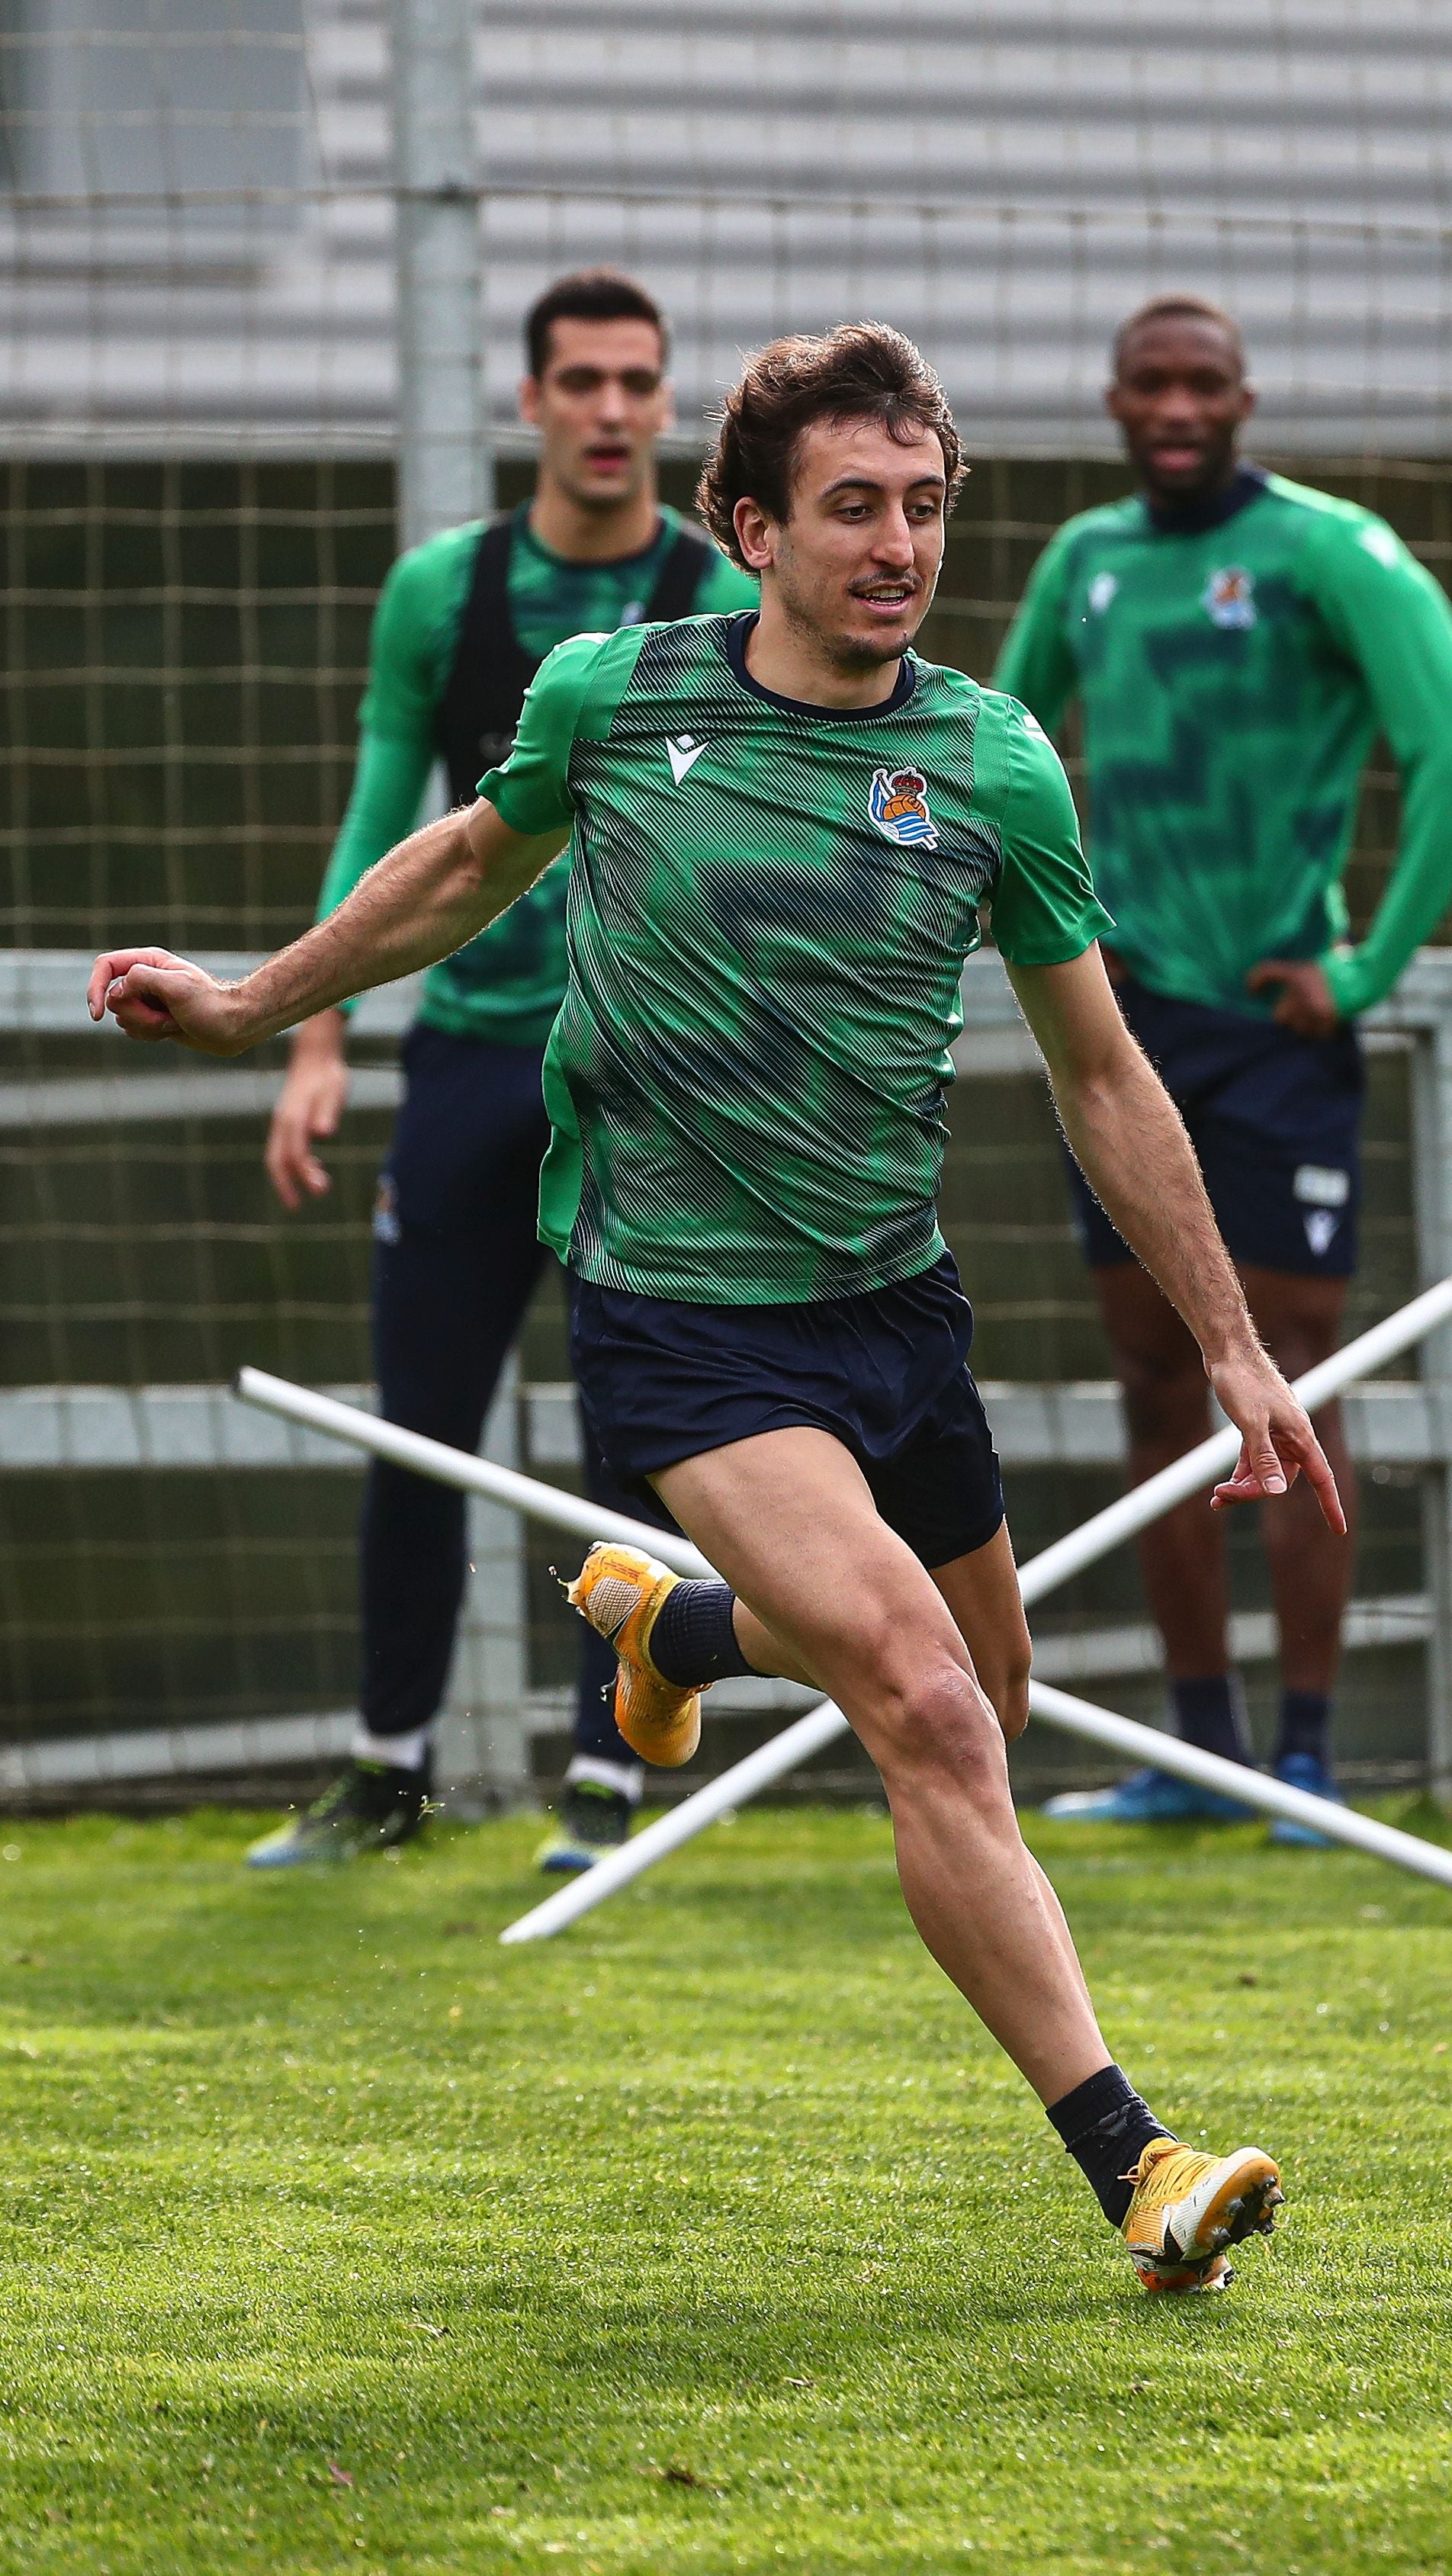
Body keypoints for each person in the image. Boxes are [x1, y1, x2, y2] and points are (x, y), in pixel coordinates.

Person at [88, 323, 1347, 2294]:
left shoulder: (992, 761)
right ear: (747, 527)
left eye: (925, 508)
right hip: (685, 1314)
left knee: (982, 1715)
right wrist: (260, 999)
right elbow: (460, 864)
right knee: (924, 1701)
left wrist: (1229, 1340)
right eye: (853, 508)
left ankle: (671, 1624)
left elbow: (1102, 1074)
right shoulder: (611, 695)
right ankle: (1134, 2157)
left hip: (891, 1305)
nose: (898, 546)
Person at [252, 268, 757, 1877]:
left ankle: (606, 1785)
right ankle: (386, 1771)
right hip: (473, 1059)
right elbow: (377, 821)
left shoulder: (723, 596)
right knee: (420, 1422)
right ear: (532, 401)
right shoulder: (440, 594)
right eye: (581, 382)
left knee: (641, 1433)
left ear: (667, 407)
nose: (610, 410)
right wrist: (311, 1036)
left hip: (653, 1076)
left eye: (637, 382)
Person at [993, 294, 1452, 1836]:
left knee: (1286, 1385)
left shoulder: (1327, 552)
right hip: (1127, 1037)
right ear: (1110, 400)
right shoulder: (1082, 562)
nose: (1173, 404)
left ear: (1242, 398)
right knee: (1151, 1380)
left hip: (1280, 1036)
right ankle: (1196, 1752)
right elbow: (990, 739)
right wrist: (1067, 924)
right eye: (1147, 381)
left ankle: (1301, 1754)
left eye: (1200, 382)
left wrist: (1362, 968)